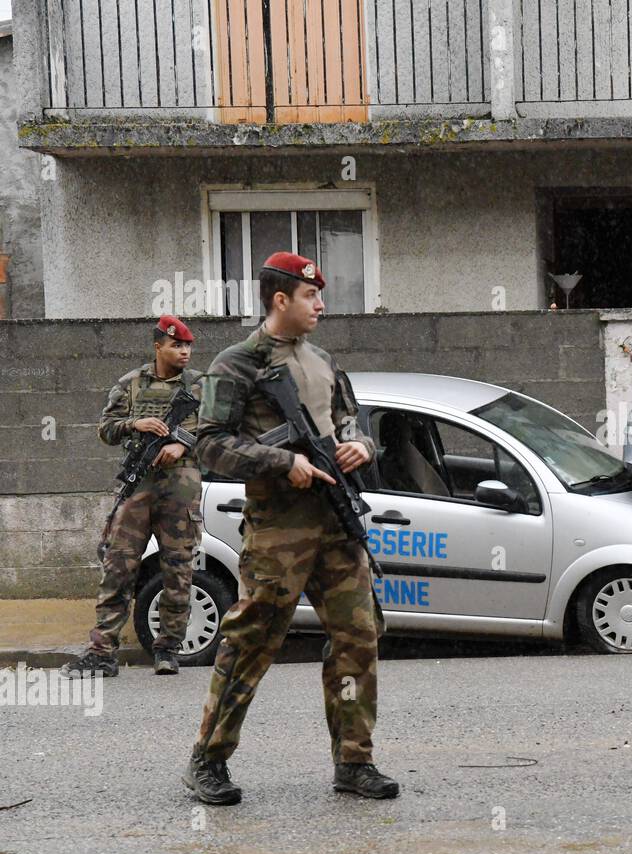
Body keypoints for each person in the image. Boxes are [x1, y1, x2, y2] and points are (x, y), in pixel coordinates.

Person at [183, 251, 398, 805]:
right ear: (281, 299)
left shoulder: (322, 359)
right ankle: (207, 760)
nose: (321, 305)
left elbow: (351, 418)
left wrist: (360, 445)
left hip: (335, 521)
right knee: (251, 641)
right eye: (310, 296)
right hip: (278, 529)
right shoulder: (236, 364)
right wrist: (283, 463)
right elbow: (208, 444)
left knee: (358, 638)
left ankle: (354, 761)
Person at [61, 315, 202, 678]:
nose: (184, 352)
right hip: (138, 488)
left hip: (180, 489)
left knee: (178, 571)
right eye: (176, 345)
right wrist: (133, 425)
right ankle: (102, 653)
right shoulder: (130, 384)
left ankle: (168, 650)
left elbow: (222, 426)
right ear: (158, 346)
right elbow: (105, 431)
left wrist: (181, 442)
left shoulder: (201, 386)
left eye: (187, 345)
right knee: (117, 568)